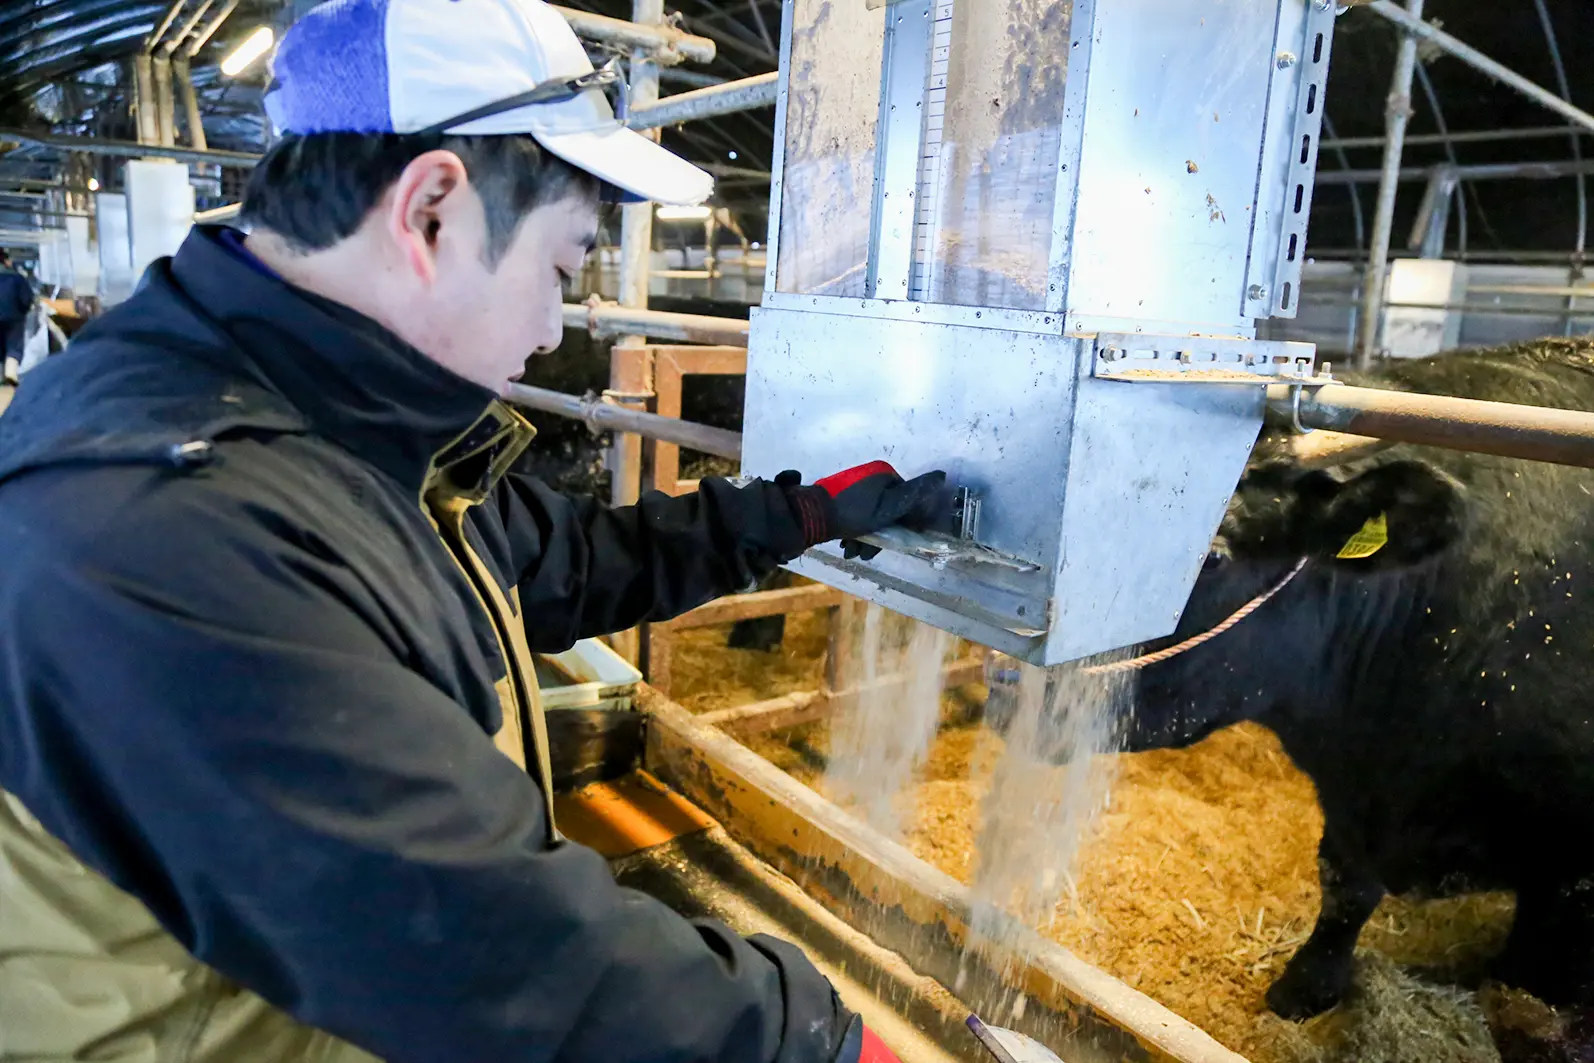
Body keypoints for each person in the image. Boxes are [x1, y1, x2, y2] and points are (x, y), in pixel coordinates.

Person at [0, 2, 945, 1061]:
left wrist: (800, 513)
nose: (552, 333)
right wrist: (822, 1042)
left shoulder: (329, 421)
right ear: (433, 212)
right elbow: (495, 957)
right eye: (559, 267)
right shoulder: (166, 526)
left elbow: (567, 560)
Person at [0, 248, 33, 377]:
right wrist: (23, 311)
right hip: (14, 318)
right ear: (6, 261)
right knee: (14, 346)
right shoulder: (17, 278)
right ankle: (10, 374)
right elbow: (26, 298)